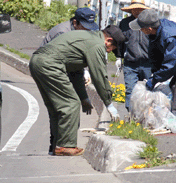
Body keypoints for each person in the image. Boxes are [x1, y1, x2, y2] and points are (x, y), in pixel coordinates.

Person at [29, 25, 126, 156]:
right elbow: (99, 76)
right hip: (49, 64)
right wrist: (109, 103)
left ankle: (56, 145)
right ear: (108, 40)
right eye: (111, 49)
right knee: (70, 103)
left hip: (37, 61)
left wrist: (84, 97)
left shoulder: (88, 38)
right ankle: (65, 146)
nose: (109, 52)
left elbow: (76, 72)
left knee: (56, 107)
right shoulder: (97, 45)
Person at [39, 7, 99, 154]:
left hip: (65, 69)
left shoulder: (77, 34)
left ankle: (58, 146)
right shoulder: (63, 33)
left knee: (65, 108)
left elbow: (75, 68)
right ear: (75, 22)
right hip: (52, 70)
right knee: (66, 106)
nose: (87, 32)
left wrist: (84, 97)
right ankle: (61, 146)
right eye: (85, 27)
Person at [118, 0, 152, 112]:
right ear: (130, 10)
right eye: (134, 9)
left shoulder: (150, 23)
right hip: (130, 63)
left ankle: (149, 114)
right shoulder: (124, 23)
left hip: (149, 63)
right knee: (130, 91)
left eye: (139, 9)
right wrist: (119, 57)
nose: (137, 11)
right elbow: (120, 42)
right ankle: (131, 116)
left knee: (150, 90)